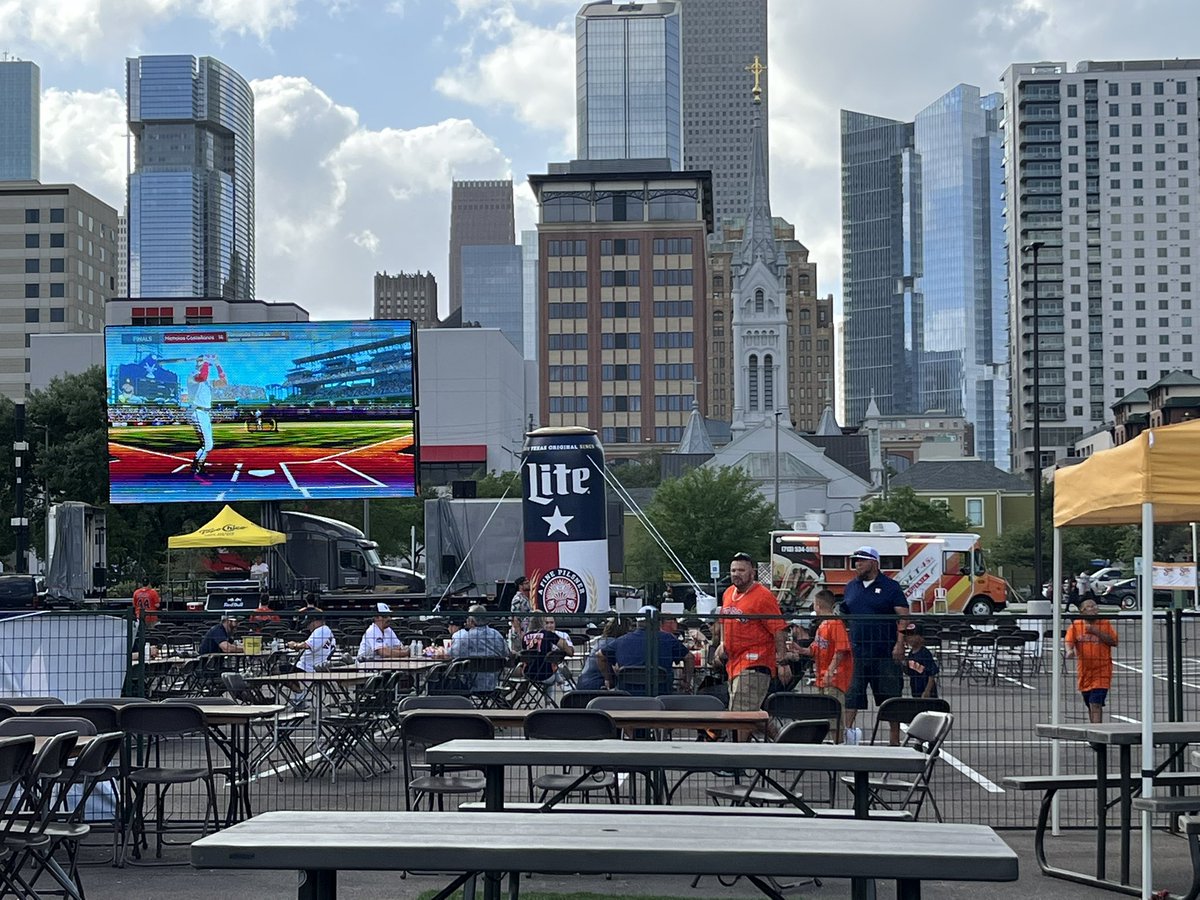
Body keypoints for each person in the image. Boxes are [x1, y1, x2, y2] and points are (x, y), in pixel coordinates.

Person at [841, 546, 908, 745]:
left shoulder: (891, 586)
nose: (857, 564)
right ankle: (848, 736)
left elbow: (903, 616)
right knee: (852, 695)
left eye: (861, 560)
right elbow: (845, 611)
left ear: (874, 563)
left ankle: (894, 740)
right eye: (855, 560)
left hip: (885, 652)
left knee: (890, 696)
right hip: (858, 652)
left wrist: (900, 642)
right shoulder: (851, 586)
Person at [714, 552, 794, 712]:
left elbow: (778, 629)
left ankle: (740, 738)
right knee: (749, 712)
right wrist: (722, 643)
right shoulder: (728, 593)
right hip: (734, 663)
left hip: (755, 662)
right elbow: (723, 620)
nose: (736, 574)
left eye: (741, 570)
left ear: (752, 572)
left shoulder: (763, 596)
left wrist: (782, 662)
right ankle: (782, 736)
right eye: (733, 570)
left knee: (741, 712)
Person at [598, 608, 693, 695]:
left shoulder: (621, 640)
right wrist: (687, 681)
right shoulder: (668, 639)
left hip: (627, 694)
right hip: (661, 692)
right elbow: (689, 657)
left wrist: (608, 679)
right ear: (657, 622)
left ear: (638, 623)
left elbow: (600, 655)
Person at [802, 589, 853, 737]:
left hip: (834, 677)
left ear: (817, 605)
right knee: (825, 715)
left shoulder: (835, 623)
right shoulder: (823, 625)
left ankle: (838, 745)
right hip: (823, 677)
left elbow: (841, 650)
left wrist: (830, 671)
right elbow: (814, 650)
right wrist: (800, 650)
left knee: (833, 717)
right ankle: (833, 743)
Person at [1065, 598, 1118, 723]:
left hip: (1102, 671)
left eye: (1095, 606)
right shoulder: (1076, 625)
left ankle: (1098, 740)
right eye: (1089, 606)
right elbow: (1069, 641)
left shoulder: (1104, 623)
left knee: (1096, 704)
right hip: (1085, 672)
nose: (1094, 608)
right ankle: (1094, 732)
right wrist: (1069, 650)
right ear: (1082, 611)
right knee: (1090, 704)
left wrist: (1095, 631)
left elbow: (1114, 641)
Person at [448, 604, 510, 692]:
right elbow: (506, 653)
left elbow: (452, 654)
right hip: (493, 683)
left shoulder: (462, 636)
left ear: (471, 621)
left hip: (468, 683)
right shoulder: (496, 635)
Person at [188, 353, 226, 474]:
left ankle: (198, 464)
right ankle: (196, 468)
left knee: (207, 444)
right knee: (208, 444)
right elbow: (202, 377)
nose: (207, 366)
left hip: (205, 413)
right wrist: (205, 362)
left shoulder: (208, 381)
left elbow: (224, 382)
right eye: (205, 364)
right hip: (197, 411)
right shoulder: (192, 376)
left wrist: (218, 364)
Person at [577, 616, 632, 690]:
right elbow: (616, 668)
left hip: (584, 682)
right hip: (595, 684)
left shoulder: (604, 641)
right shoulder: (613, 643)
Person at [519, 615, 573, 683]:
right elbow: (565, 647)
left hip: (529, 674)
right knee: (553, 661)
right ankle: (564, 685)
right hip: (547, 674)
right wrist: (569, 651)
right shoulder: (548, 634)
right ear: (543, 622)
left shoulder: (525, 637)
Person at [902, 622, 940, 699]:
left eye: (912, 635)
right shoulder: (910, 654)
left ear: (920, 637)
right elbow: (909, 671)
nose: (908, 638)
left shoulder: (925, 653)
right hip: (915, 689)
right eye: (907, 635)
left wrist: (927, 691)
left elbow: (931, 674)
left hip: (926, 689)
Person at [509, 576, 535, 650]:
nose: (528, 585)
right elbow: (515, 617)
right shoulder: (517, 599)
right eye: (526, 583)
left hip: (525, 632)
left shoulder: (524, 598)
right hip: (519, 634)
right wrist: (519, 632)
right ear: (520, 586)